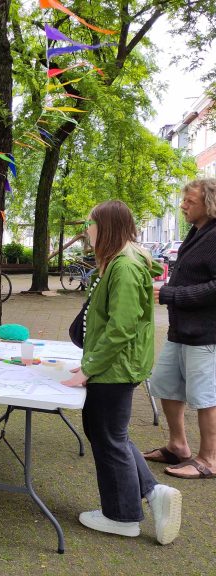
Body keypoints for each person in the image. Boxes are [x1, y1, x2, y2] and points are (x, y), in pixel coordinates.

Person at [61, 200, 182, 545]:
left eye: (91, 223)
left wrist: (90, 367)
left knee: (106, 435)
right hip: (113, 365)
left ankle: (122, 516)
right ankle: (152, 491)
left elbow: (123, 326)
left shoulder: (124, 266)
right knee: (112, 434)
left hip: (115, 368)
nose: (87, 230)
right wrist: (90, 361)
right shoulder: (120, 260)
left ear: (107, 226)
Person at [144, 179, 216, 480]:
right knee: (166, 383)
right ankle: (178, 445)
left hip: (206, 333)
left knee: (204, 396)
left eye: (190, 201)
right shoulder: (197, 231)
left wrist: (173, 295)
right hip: (181, 329)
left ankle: (209, 459)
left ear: (209, 203)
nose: (183, 205)